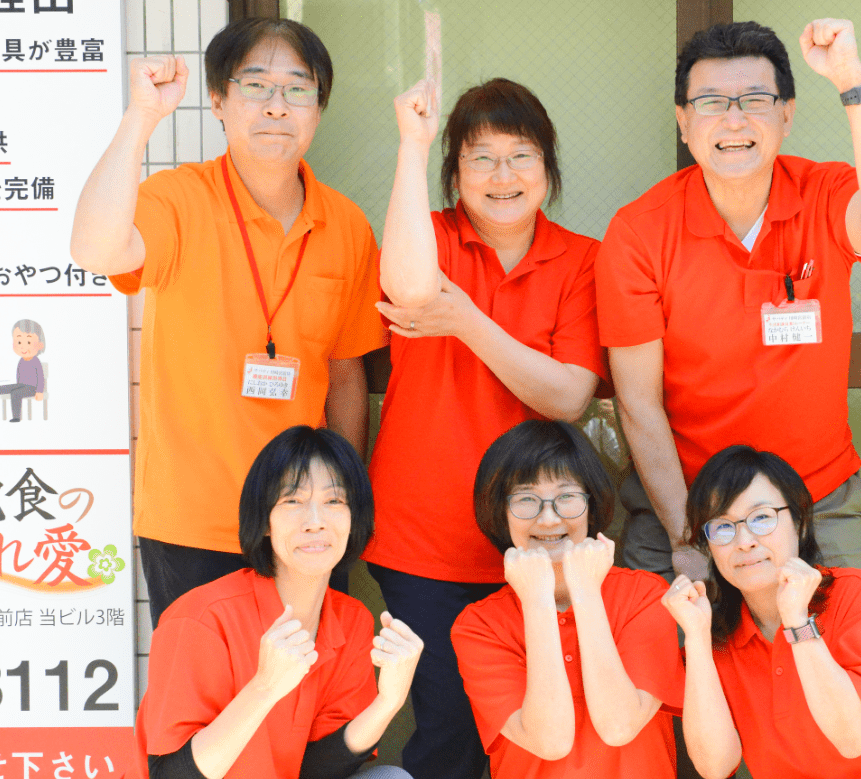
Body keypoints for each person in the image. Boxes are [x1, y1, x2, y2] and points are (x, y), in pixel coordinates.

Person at [70, 18, 385, 621]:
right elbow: (94, 251)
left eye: (297, 89)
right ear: (218, 100)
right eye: (256, 86)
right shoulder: (178, 198)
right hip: (192, 521)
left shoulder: (346, 226)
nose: (276, 106)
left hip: (306, 525)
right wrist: (139, 119)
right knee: (206, 708)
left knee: (311, 706)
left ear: (318, 108)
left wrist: (343, 503)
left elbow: (346, 374)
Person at [597, 19, 861, 585]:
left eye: (755, 100)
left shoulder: (824, 193)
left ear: (787, 115)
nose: (734, 119)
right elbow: (639, 406)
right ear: (683, 122)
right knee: (653, 653)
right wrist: (686, 537)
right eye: (712, 103)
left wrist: (850, 78)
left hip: (817, 498)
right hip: (687, 500)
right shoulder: (639, 232)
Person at [362, 77, 605, 779]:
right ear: (453, 173)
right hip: (424, 538)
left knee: (544, 725)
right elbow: (410, 290)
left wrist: (467, 320)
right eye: (480, 158)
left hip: (544, 535)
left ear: (549, 168)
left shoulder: (580, 260)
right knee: (451, 728)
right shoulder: (428, 237)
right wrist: (412, 143)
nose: (503, 176)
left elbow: (567, 394)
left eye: (521, 155)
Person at [136, 426, 420, 779]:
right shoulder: (201, 618)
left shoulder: (353, 621)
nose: (315, 522)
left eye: (334, 501)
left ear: (353, 518)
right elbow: (168, 775)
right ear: (265, 521)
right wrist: (265, 687)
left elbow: (316, 769)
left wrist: (388, 702)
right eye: (292, 501)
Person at [662, 446, 861, 779]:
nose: (744, 541)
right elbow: (714, 767)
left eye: (761, 518)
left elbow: (854, 738)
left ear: (800, 523)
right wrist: (698, 638)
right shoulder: (719, 638)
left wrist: (798, 623)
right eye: (722, 527)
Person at [451, 421, 682, 779]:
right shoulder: (479, 626)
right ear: (500, 510)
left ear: (591, 503)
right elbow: (550, 741)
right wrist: (537, 601)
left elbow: (620, 725)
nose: (548, 517)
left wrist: (586, 591)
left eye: (566, 497)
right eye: (526, 498)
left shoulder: (646, 595)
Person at [0, 318, 48, 422]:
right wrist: (17, 385)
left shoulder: (36, 361)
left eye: (29, 342)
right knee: (10, 387)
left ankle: (16, 417)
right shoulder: (21, 361)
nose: (23, 346)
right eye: (19, 342)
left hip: (32, 388)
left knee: (15, 393)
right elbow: (19, 374)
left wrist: (39, 391)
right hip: (21, 385)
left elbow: (40, 377)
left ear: (40, 345)